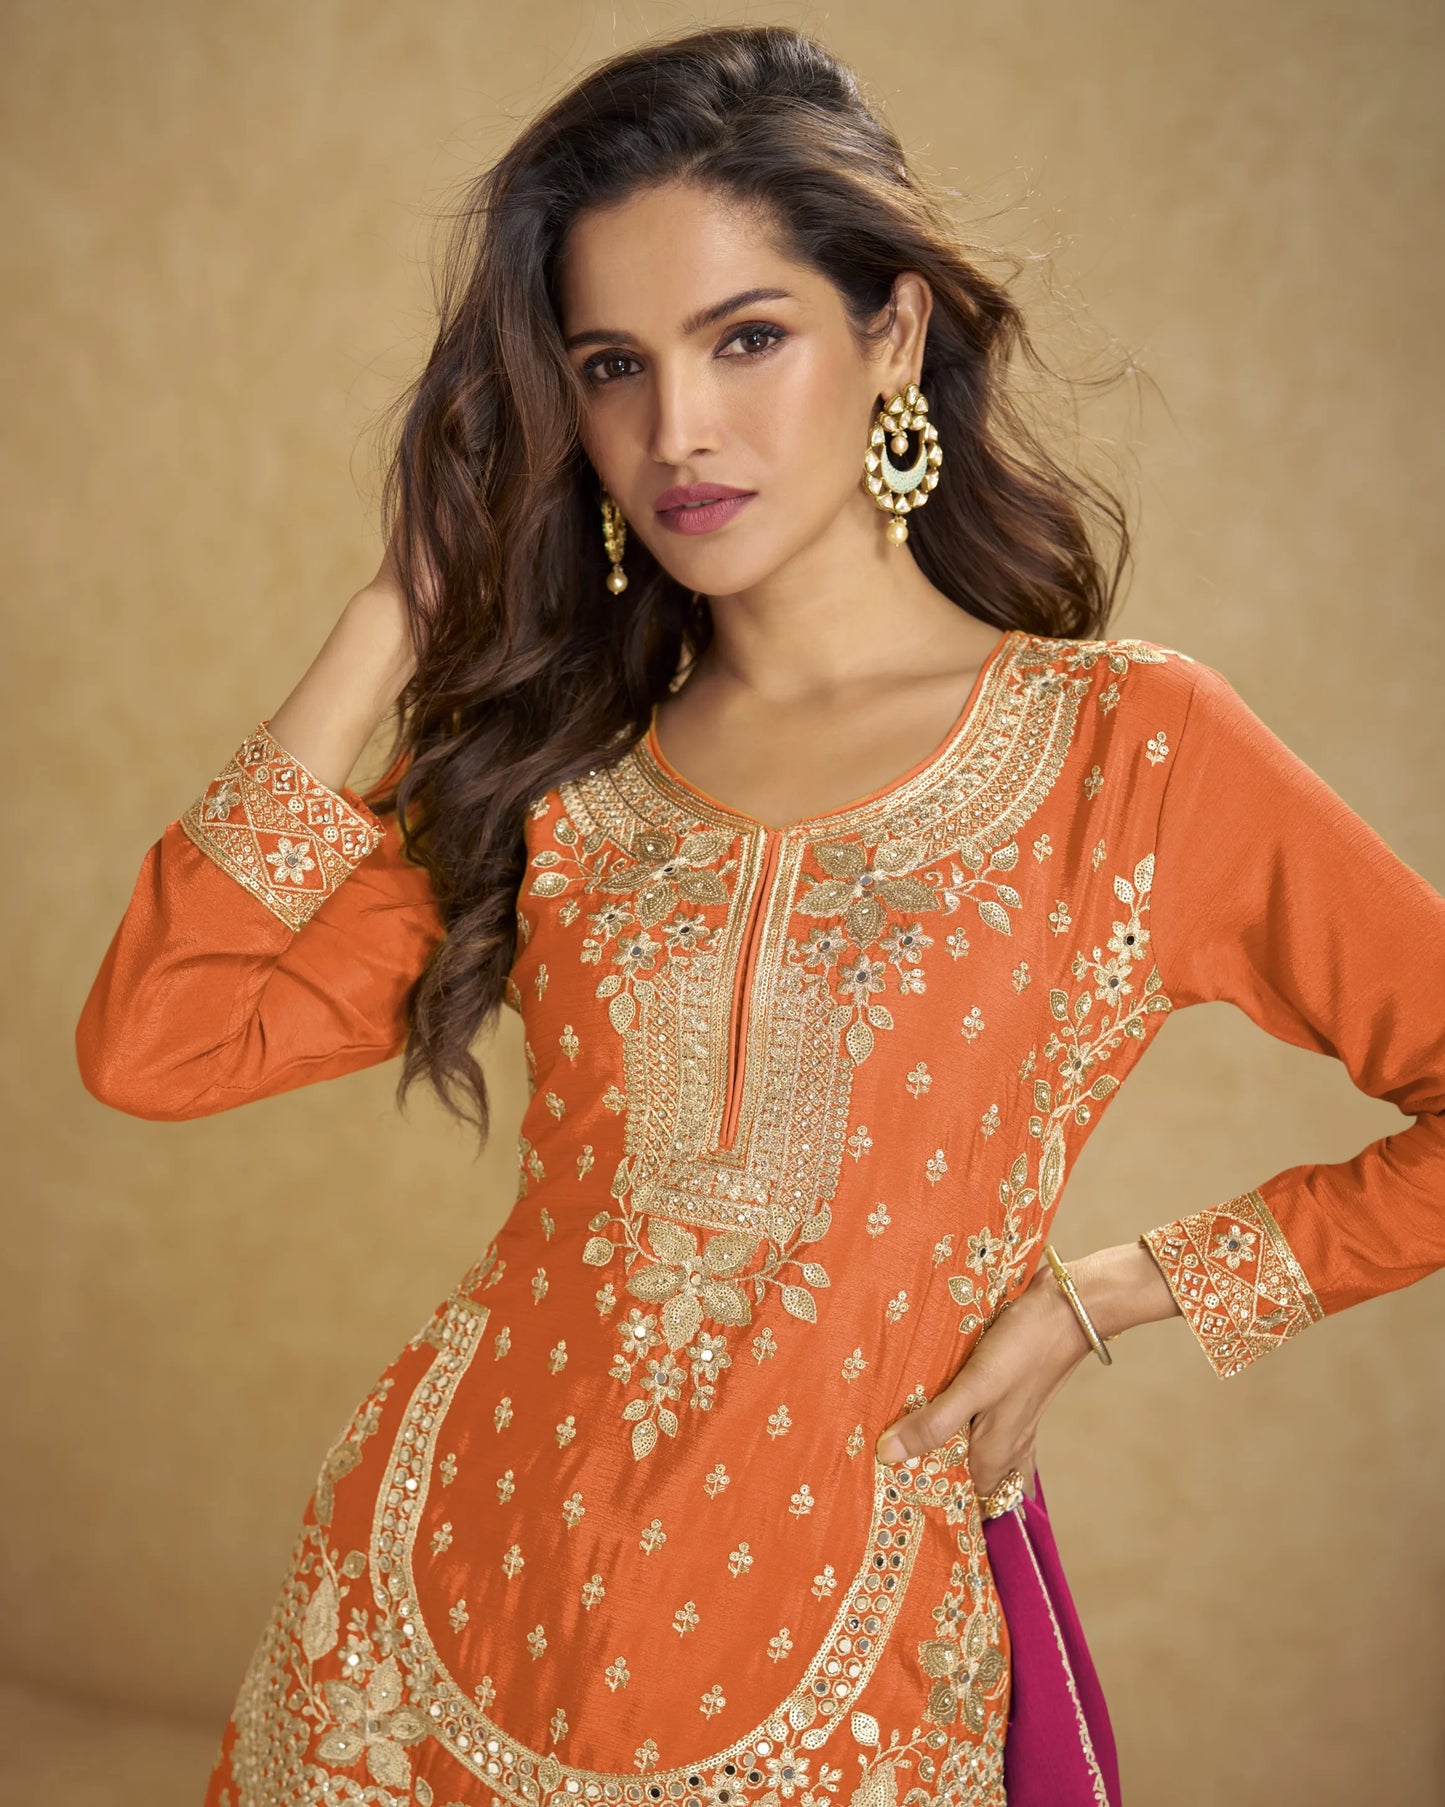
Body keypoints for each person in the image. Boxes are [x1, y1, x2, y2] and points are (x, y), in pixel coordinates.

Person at [73, 23, 1445, 1807]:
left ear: (890, 334)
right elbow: (158, 1043)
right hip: (410, 1638)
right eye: (611, 366)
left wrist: (1102, 1297)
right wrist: (399, 610)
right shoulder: (562, 768)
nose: (677, 430)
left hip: (833, 1679)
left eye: (746, 339)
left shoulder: (1128, 753)